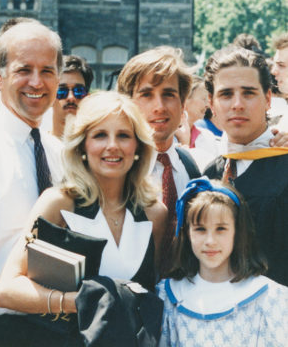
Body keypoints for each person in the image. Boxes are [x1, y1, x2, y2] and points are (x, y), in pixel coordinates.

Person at [0, 91, 167, 346]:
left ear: (138, 147)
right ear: (82, 146)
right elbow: (6, 291)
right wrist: (79, 302)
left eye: (123, 135)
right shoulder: (59, 203)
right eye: (99, 135)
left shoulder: (155, 214)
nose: (112, 145)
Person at [0, 21, 63, 344]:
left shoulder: (60, 154)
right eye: (24, 69)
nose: (36, 82)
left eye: (47, 70)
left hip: (56, 329)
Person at [157, 177, 288, 347]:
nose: (210, 241)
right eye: (200, 229)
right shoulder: (169, 295)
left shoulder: (269, 298)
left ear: (237, 231)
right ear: (187, 233)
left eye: (221, 229)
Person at [203, 46, 288, 286]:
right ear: (211, 102)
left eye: (249, 93)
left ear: (268, 99)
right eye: (226, 94)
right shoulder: (210, 175)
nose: (237, 104)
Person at [117, 46, 200, 276]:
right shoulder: (114, 170)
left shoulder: (192, 167)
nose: (159, 107)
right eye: (146, 94)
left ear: (183, 104)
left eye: (168, 94)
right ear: (128, 104)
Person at [175, 75, 219, 171]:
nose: (208, 105)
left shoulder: (208, 137)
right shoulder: (166, 136)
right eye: (204, 99)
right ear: (185, 99)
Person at [52, 54, 93, 139]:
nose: (71, 97)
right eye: (62, 91)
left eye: (79, 91)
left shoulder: (94, 148)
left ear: (88, 98)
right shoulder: (36, 146)